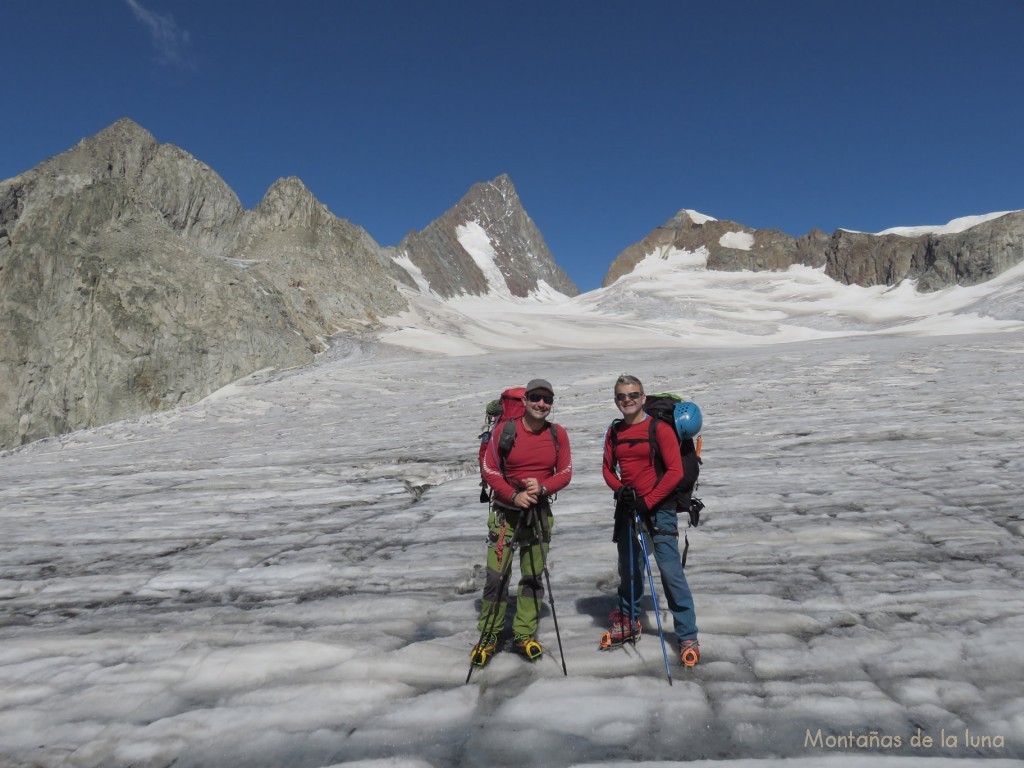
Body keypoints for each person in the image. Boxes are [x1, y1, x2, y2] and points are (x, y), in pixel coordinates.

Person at [601, 374, 700, 666]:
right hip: (628, 508)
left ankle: (687, 634)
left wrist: (648, 500)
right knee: (630, 569)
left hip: (660, 510)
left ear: (643, 398)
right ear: (616, 400)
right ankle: (629, 619)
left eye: (632, 394)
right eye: (621, 396)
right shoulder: (614, 431)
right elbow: (607, 469)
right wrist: (621, 490)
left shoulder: (659, 429)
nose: (627, 400)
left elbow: (674, 472)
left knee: (670, 572)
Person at [472, 378, 572, 665]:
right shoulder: (506, 430)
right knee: (497, 577)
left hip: (538, 513)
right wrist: (513, 496)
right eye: (536, 398)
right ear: (525, 401)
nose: (542, 404)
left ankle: (524, 633)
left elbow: (564, 472)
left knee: (532, 576)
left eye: (547, 400)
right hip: (506, 514)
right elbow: (490, 469)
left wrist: (542, 488)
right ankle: (489, 634)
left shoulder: (558, 435)